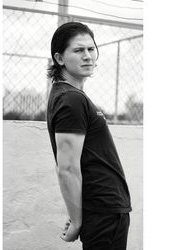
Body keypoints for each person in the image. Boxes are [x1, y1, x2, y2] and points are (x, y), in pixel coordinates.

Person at [46, 22, 132, 250]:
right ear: (60, 58)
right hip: (104, 210)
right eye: (78, 50)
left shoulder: (70, 96)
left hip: (103, 210)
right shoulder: (70, 100)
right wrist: (76, 220)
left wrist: (78, 213)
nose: (87, 56)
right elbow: (67, 168)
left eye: (91, 49)